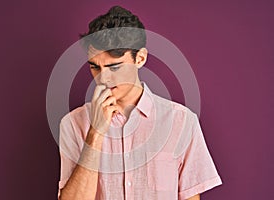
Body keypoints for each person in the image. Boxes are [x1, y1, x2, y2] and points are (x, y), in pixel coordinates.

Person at [58, 5, 222, 200]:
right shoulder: (72, 124)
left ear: (140, 58)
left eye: (114, 67)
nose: (103, 78)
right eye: (95, 67)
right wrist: (95, 133)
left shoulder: (182, 121)